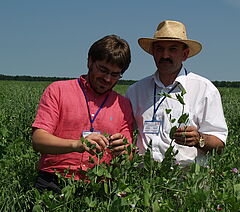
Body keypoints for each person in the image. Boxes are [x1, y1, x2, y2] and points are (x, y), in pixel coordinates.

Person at [32, 34, 134, 193]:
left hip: (100, 185)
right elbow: (38, 140)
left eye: (115, 74)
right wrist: (78, 145)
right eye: (103, 70)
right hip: (54, 180)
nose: (107, 79)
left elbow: (128, 156)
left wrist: (122, 150)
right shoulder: (58, 90)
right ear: (90, 61)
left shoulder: (123, 104)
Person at [125, 20, 228, 166]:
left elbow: (219, 143)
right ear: (153, 53)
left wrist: (198, 139)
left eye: (172, 49)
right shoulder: (136, 91)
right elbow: (124, 134)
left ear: (185, 54)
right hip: (144, 179)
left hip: (187, 182)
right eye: (159, 49)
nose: (165, 55)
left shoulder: (204, 89)